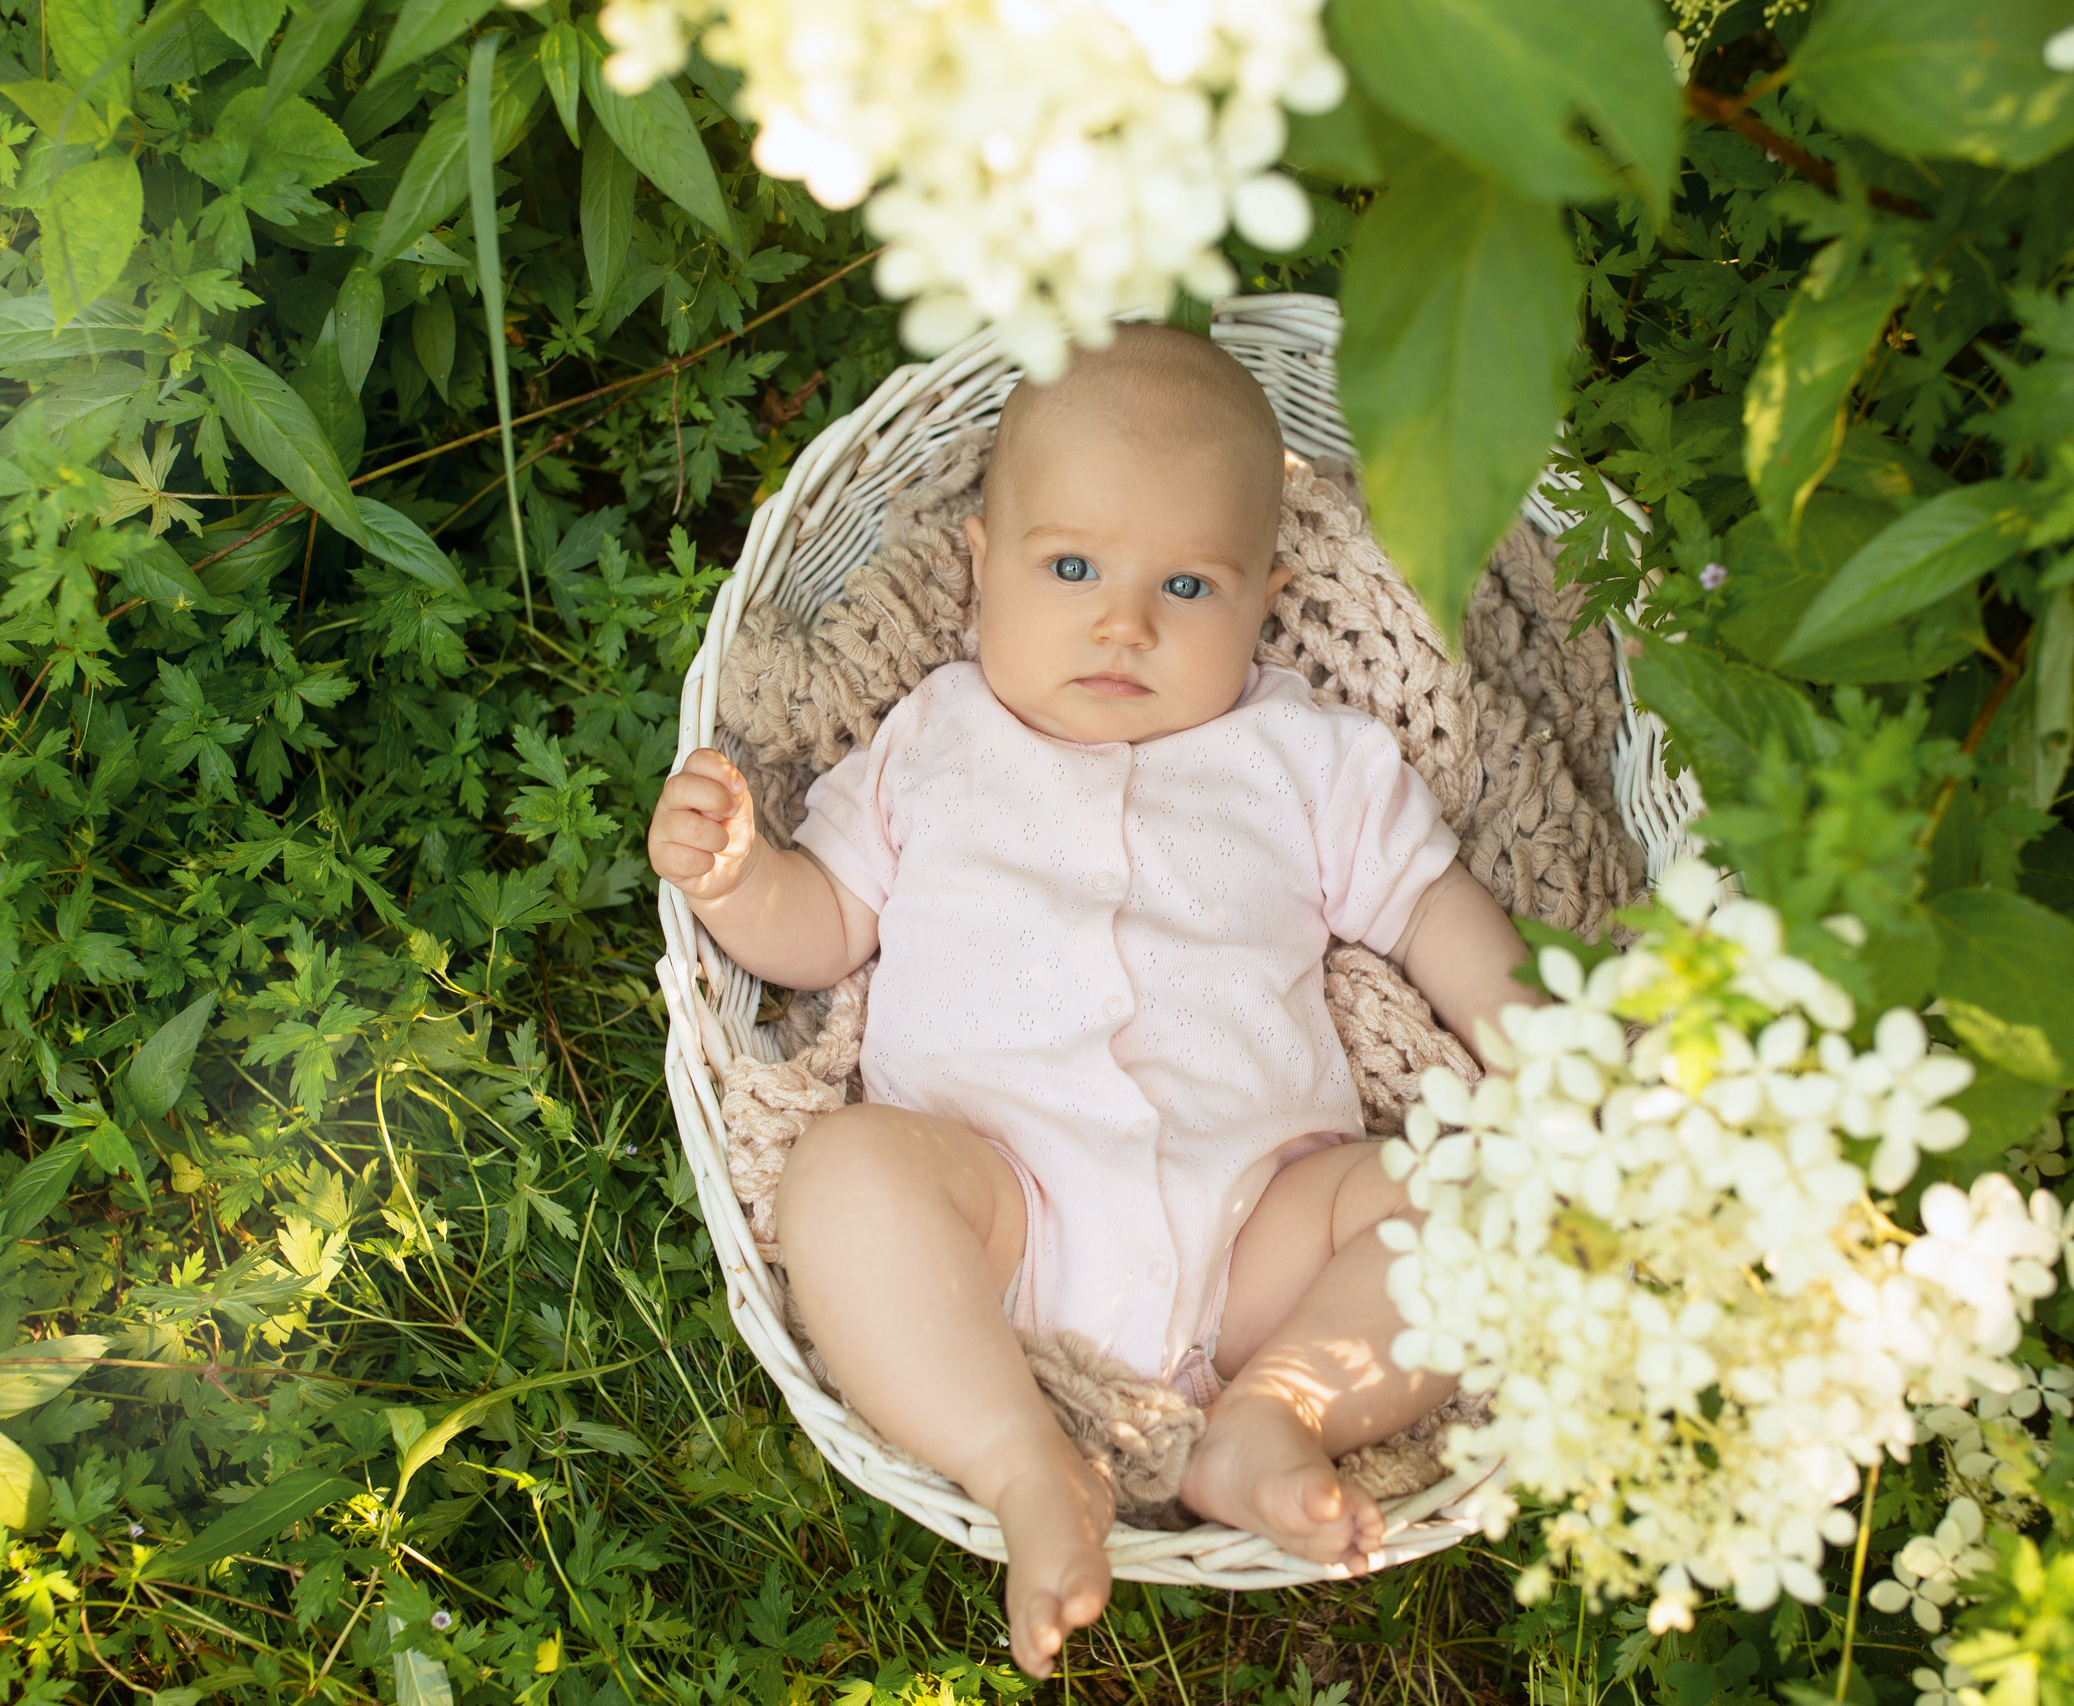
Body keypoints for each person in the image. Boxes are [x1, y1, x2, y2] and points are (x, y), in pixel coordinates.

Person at [648, 324, 1538, 1679]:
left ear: (1267, 598)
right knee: (844, 1175)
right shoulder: (929, 742)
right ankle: (1022, 1457)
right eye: (1071, 568)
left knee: (1472, 1200)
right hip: (1001, 1210)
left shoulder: (1303, 757)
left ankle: (1278, 1405)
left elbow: (1431, 908)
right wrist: (732, 878)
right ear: (980, 568)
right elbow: (821, 930)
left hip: (1264, 1224)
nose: (1124, 622)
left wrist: (1541, 1047)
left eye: (1187, 583)